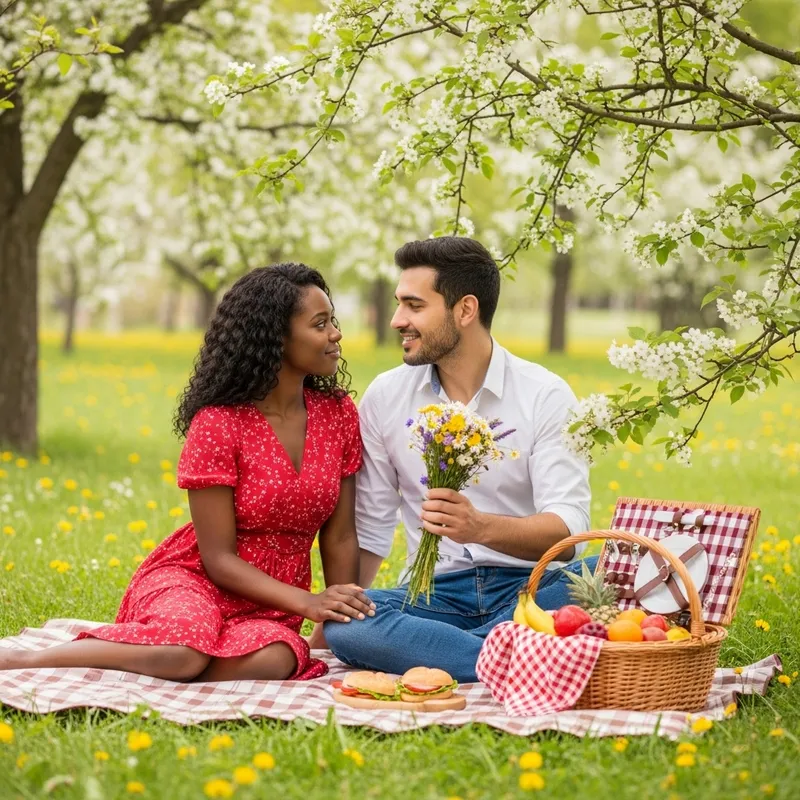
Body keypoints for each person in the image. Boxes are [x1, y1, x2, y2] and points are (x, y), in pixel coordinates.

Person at [0, 264, 374, 682]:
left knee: (279, 659)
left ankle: (167, 661)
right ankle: (23, 663)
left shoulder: (337, 414)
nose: (335, 334)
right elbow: (217, 558)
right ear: (274, 337)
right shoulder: (219, 423)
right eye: (320, 324)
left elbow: (340, 535)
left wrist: (335, 622)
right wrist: (307, 602)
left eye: (332, 321)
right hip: (195, 580)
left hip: (271, 604)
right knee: (183, 648)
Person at [321, 237, 594, 683]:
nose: (397, 321)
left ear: (465, 310)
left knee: (613, 571)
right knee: (344, 623)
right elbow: (370, 526)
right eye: (398, 304)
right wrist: (337, 623)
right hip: (431, 596)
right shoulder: (386, 396)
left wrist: (480, 528)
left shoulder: (545, 395)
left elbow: (571, 532)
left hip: (530, 589)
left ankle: (464, 653)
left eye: (414, 305)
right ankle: (513, 651)